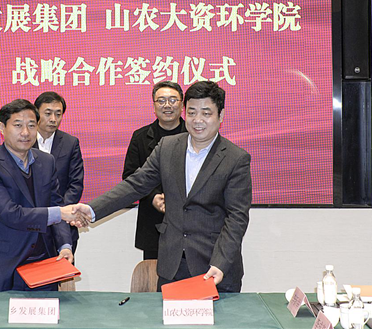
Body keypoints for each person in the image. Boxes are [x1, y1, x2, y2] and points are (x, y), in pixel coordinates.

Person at [71, 81, 252, 292]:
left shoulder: (236, 158)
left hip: (214, 267)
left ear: (221, 116)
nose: (198, 120)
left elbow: (236, 218)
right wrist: (92, 209)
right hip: (171, 267)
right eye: (192, 112)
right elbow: (135, 184)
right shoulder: (168, 147)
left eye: (206, 113)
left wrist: (220, 263)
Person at [0, 99, 78, 292]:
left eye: (31, 125)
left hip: (44, 264)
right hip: (5, 265)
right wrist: (60, 213)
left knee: (46, 312)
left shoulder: (47, 162)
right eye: (18, 125)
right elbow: (10, 214)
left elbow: (56, 204)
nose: (25, 133)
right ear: (2, 128)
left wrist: (64, 245)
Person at [122, 81, 187, 260]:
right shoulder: (141, 137)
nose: (167, 105)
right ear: (154, 106)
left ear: (182, 105)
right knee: (153, 274)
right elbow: (130, 176)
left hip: (189, 221)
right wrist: (153, 197)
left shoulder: (194, 135)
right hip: (153, 220)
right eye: (161, 100)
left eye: (173, 100)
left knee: (191, 274)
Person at [33, 92, 84, 254]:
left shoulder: (70, 143)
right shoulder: (24, 141)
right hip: (31, 222)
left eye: (58, 114)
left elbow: (75, 184)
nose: (53, 119)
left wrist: (61, 212)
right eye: (48, 113)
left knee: (63, 267)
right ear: (36, 113)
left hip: (63, 224)